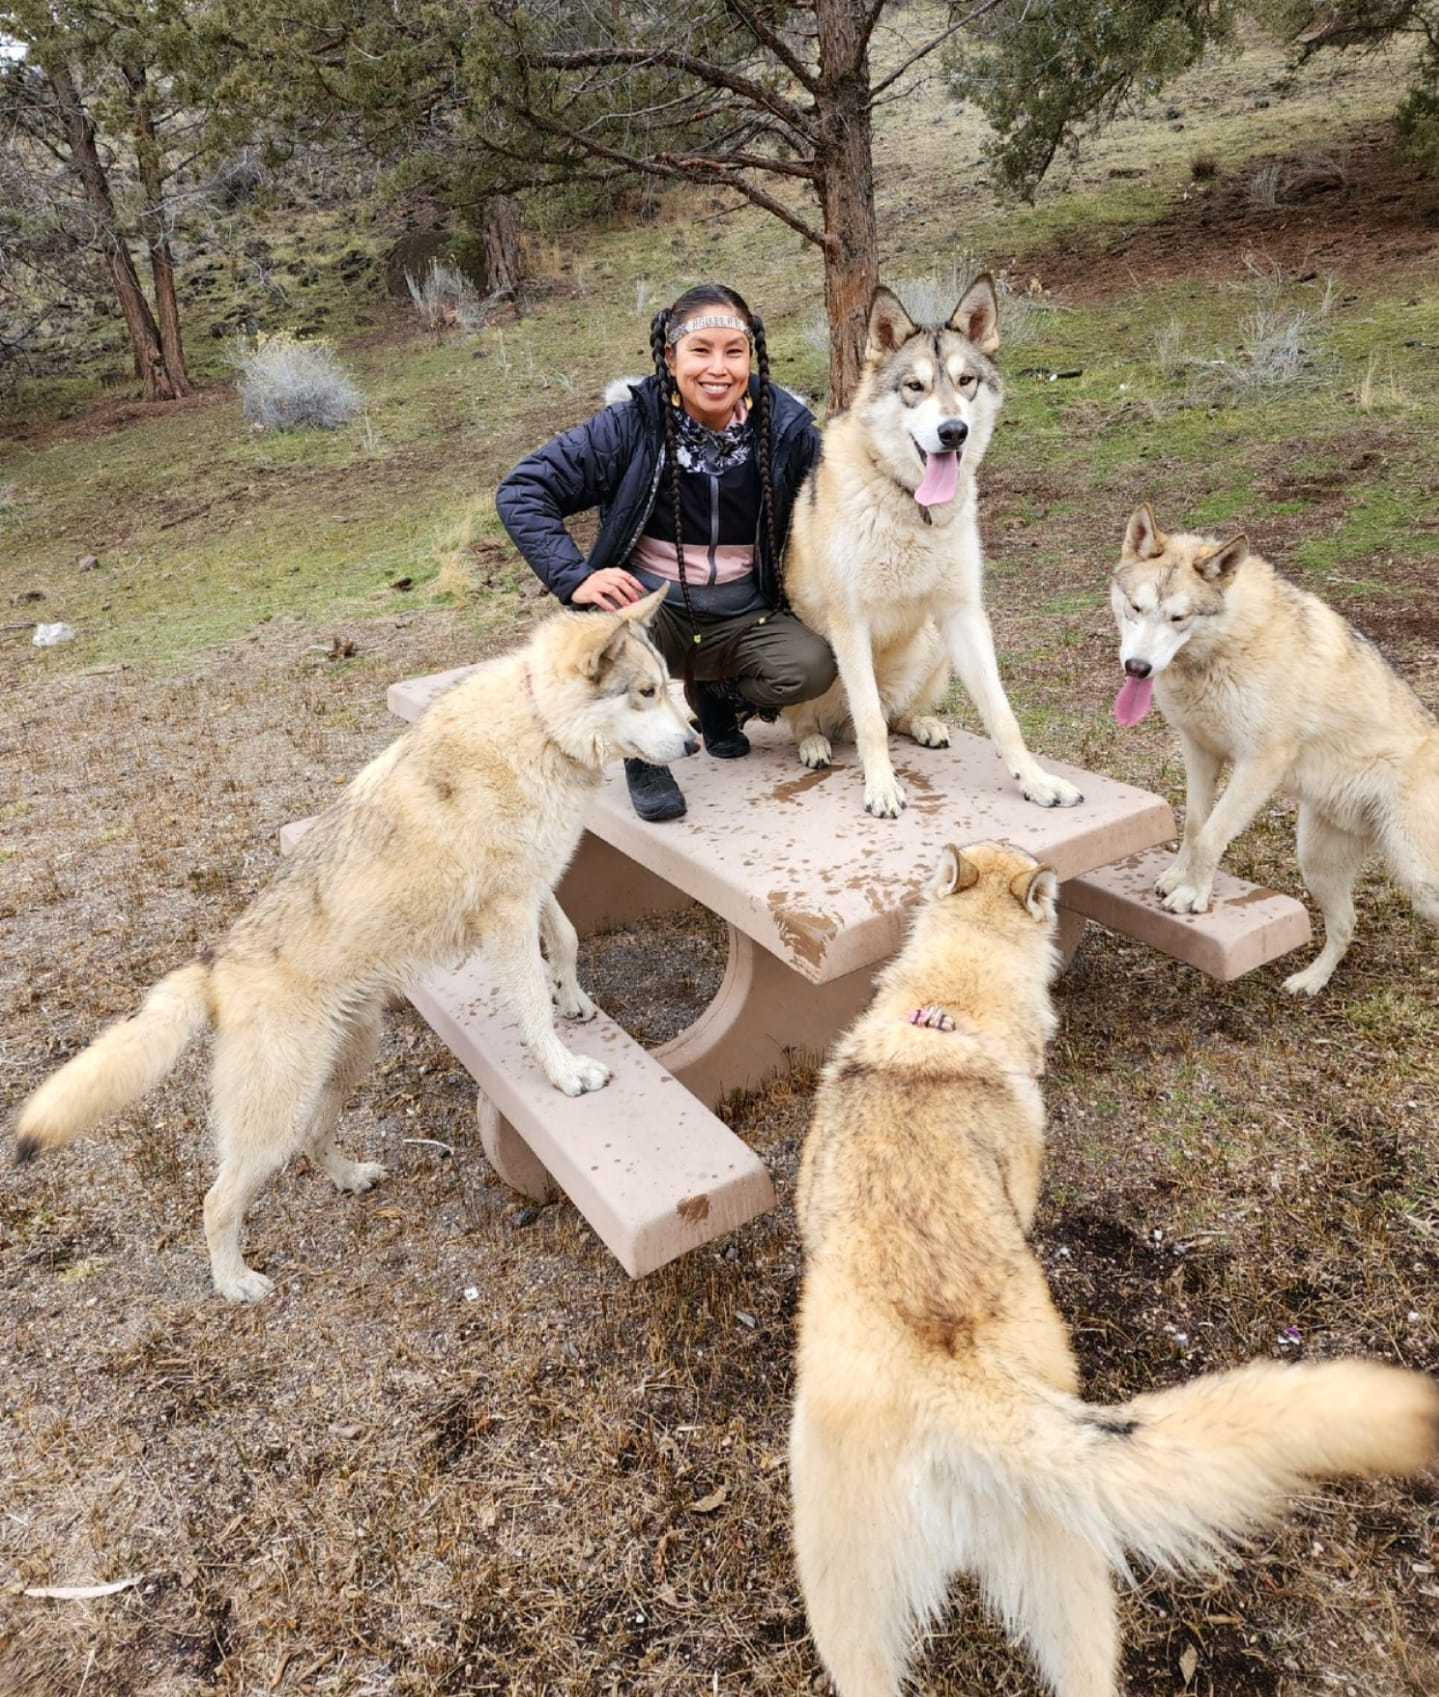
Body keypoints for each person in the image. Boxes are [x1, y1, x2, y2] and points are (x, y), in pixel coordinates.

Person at [496, 283, 837, 821]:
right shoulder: (631, 424)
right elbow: (524, 489)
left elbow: (839, 493)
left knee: (811, 665)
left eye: (734, 351)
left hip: (746, 609)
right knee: (613, 648)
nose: (717, 369)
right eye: (700, 352)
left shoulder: (785, 428)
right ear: (671, 356)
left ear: (752, 355)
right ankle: (644, 756)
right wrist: (575, 576)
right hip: (651, 609)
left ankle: (718, 695)